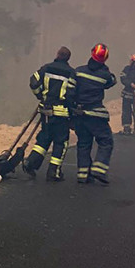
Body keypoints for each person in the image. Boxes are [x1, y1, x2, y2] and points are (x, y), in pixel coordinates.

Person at [23, 46, 77, 181]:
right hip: (61, 113)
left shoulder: (46, 68)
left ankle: (31, 163)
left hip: (46, 110)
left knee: (45, 137)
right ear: (68, 58)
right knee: (61, 141)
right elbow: (71, 95)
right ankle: (54, 171)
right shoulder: (71, 73)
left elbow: (33, 81)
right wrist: (73, 114)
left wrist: (40, 96)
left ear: (57, 54)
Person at [73, 43, 117, 185]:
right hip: (96, 115)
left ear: (91, 53)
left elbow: (70, 92)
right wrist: (105, 68)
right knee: (106, 141)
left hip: (79, 114)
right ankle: (99, 170)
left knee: (84, 144)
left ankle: (83, 175)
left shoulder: (78, 71)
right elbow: (111, 82)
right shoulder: (105, 75)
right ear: (105, 59)